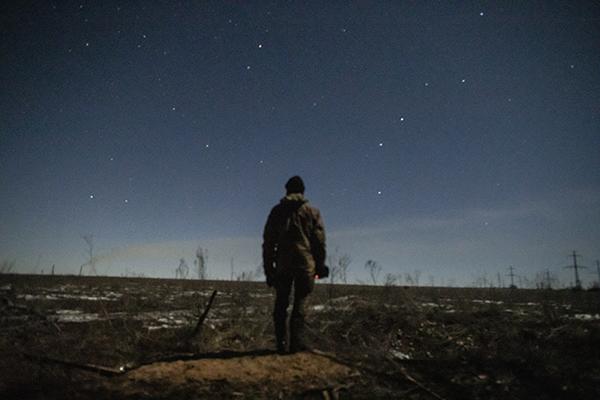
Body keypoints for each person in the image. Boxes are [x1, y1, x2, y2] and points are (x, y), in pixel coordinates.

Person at [262, 176, 326, 354]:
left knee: (281, 304)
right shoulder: (312, 212)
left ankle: (281, 345)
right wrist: (320, 265)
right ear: (303, 191)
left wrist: (269, 270)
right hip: (306, 265)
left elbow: (268, 243)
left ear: (286, 191)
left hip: (283, 265)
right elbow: (319, 242)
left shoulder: (277, 212)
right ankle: (296, 346)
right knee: (300, 304)